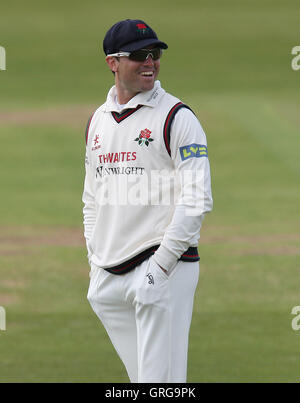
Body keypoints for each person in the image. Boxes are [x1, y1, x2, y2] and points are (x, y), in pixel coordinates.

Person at [82, 19, 213, 383]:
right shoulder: (97, 121)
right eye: (139, 55)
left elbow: (197, 198)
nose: (150, 63)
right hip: (108, 275)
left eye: (154, 54)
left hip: (162, 267)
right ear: (113, 62)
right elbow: (92, 196)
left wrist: (161, 267)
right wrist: (95, 258)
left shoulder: (177, 117)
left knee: (163, 385)